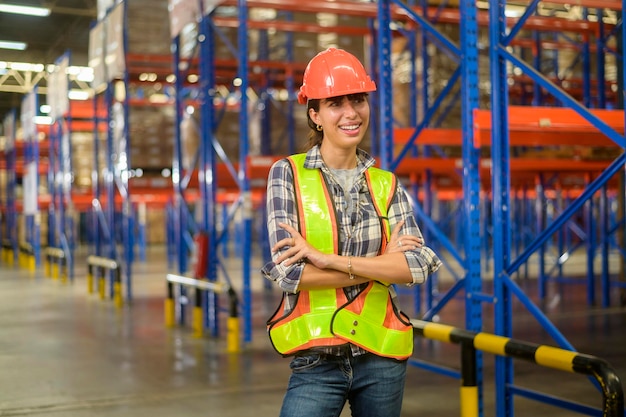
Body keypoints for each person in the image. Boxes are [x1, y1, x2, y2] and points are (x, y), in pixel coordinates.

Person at [261, 47, 442, 417]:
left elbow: (418, 266)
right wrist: (381, 263)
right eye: (335, 104)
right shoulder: (288, 174)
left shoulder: (386, 183)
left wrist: (328, 260)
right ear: (315, 115)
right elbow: (289, 273)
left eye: (358, 100)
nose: (351, 113)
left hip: (382, 354)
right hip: (316, 360)